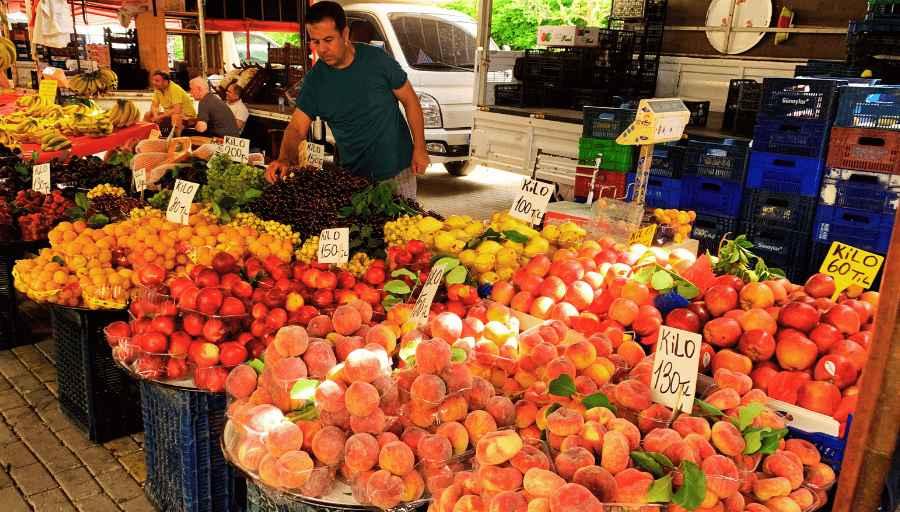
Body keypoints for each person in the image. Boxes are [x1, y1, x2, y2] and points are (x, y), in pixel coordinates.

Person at [266, 1, 429, 199]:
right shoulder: (315, 81)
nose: (322, 49)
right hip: (353, 177)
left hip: (397, 170)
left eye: (328, 39)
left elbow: (411, 101)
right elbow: (297, 128)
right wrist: (284, 158)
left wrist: (420, 148)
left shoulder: (378, 60)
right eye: (315, 42)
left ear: (345, 34)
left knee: (404, 227)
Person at [143, 71, 196, 135]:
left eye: (157, 81)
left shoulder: (175, 89)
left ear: (165, 82)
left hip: (187, 116)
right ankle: (149, 137)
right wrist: (155, 115)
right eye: (153, 80)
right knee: (148, 115)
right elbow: (154, 105)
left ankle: (178, 139)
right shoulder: (158, 89)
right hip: (169, 114)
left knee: (175, 117)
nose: (154, 83)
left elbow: (177, 110)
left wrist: (160, 117)